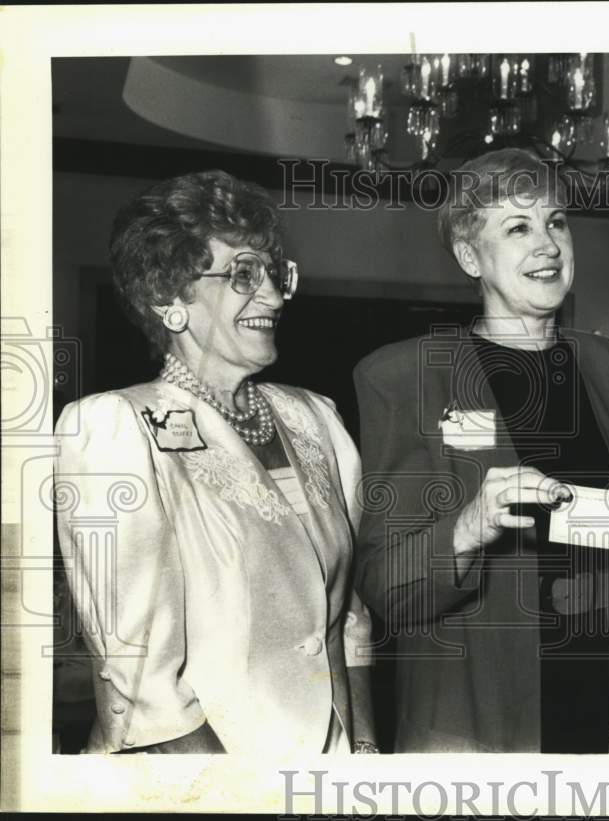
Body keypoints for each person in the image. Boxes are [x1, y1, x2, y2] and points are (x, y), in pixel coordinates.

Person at [352, 148, 609, 753]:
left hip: (606, 717)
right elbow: (383, 586)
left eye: (557, 222)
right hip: (474, 725)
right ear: (469, 256)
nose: (548, 244)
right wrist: (469, 526)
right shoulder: (403, 377)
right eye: (518, 228)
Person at [54, 170, 377, 755]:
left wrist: (363, 754)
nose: (275, 296)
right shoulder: (114, 427)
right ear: (169, 298)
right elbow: (144, 684)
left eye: (276, 274)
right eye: (243, 275)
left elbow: (346, 618)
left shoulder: (316, 420)